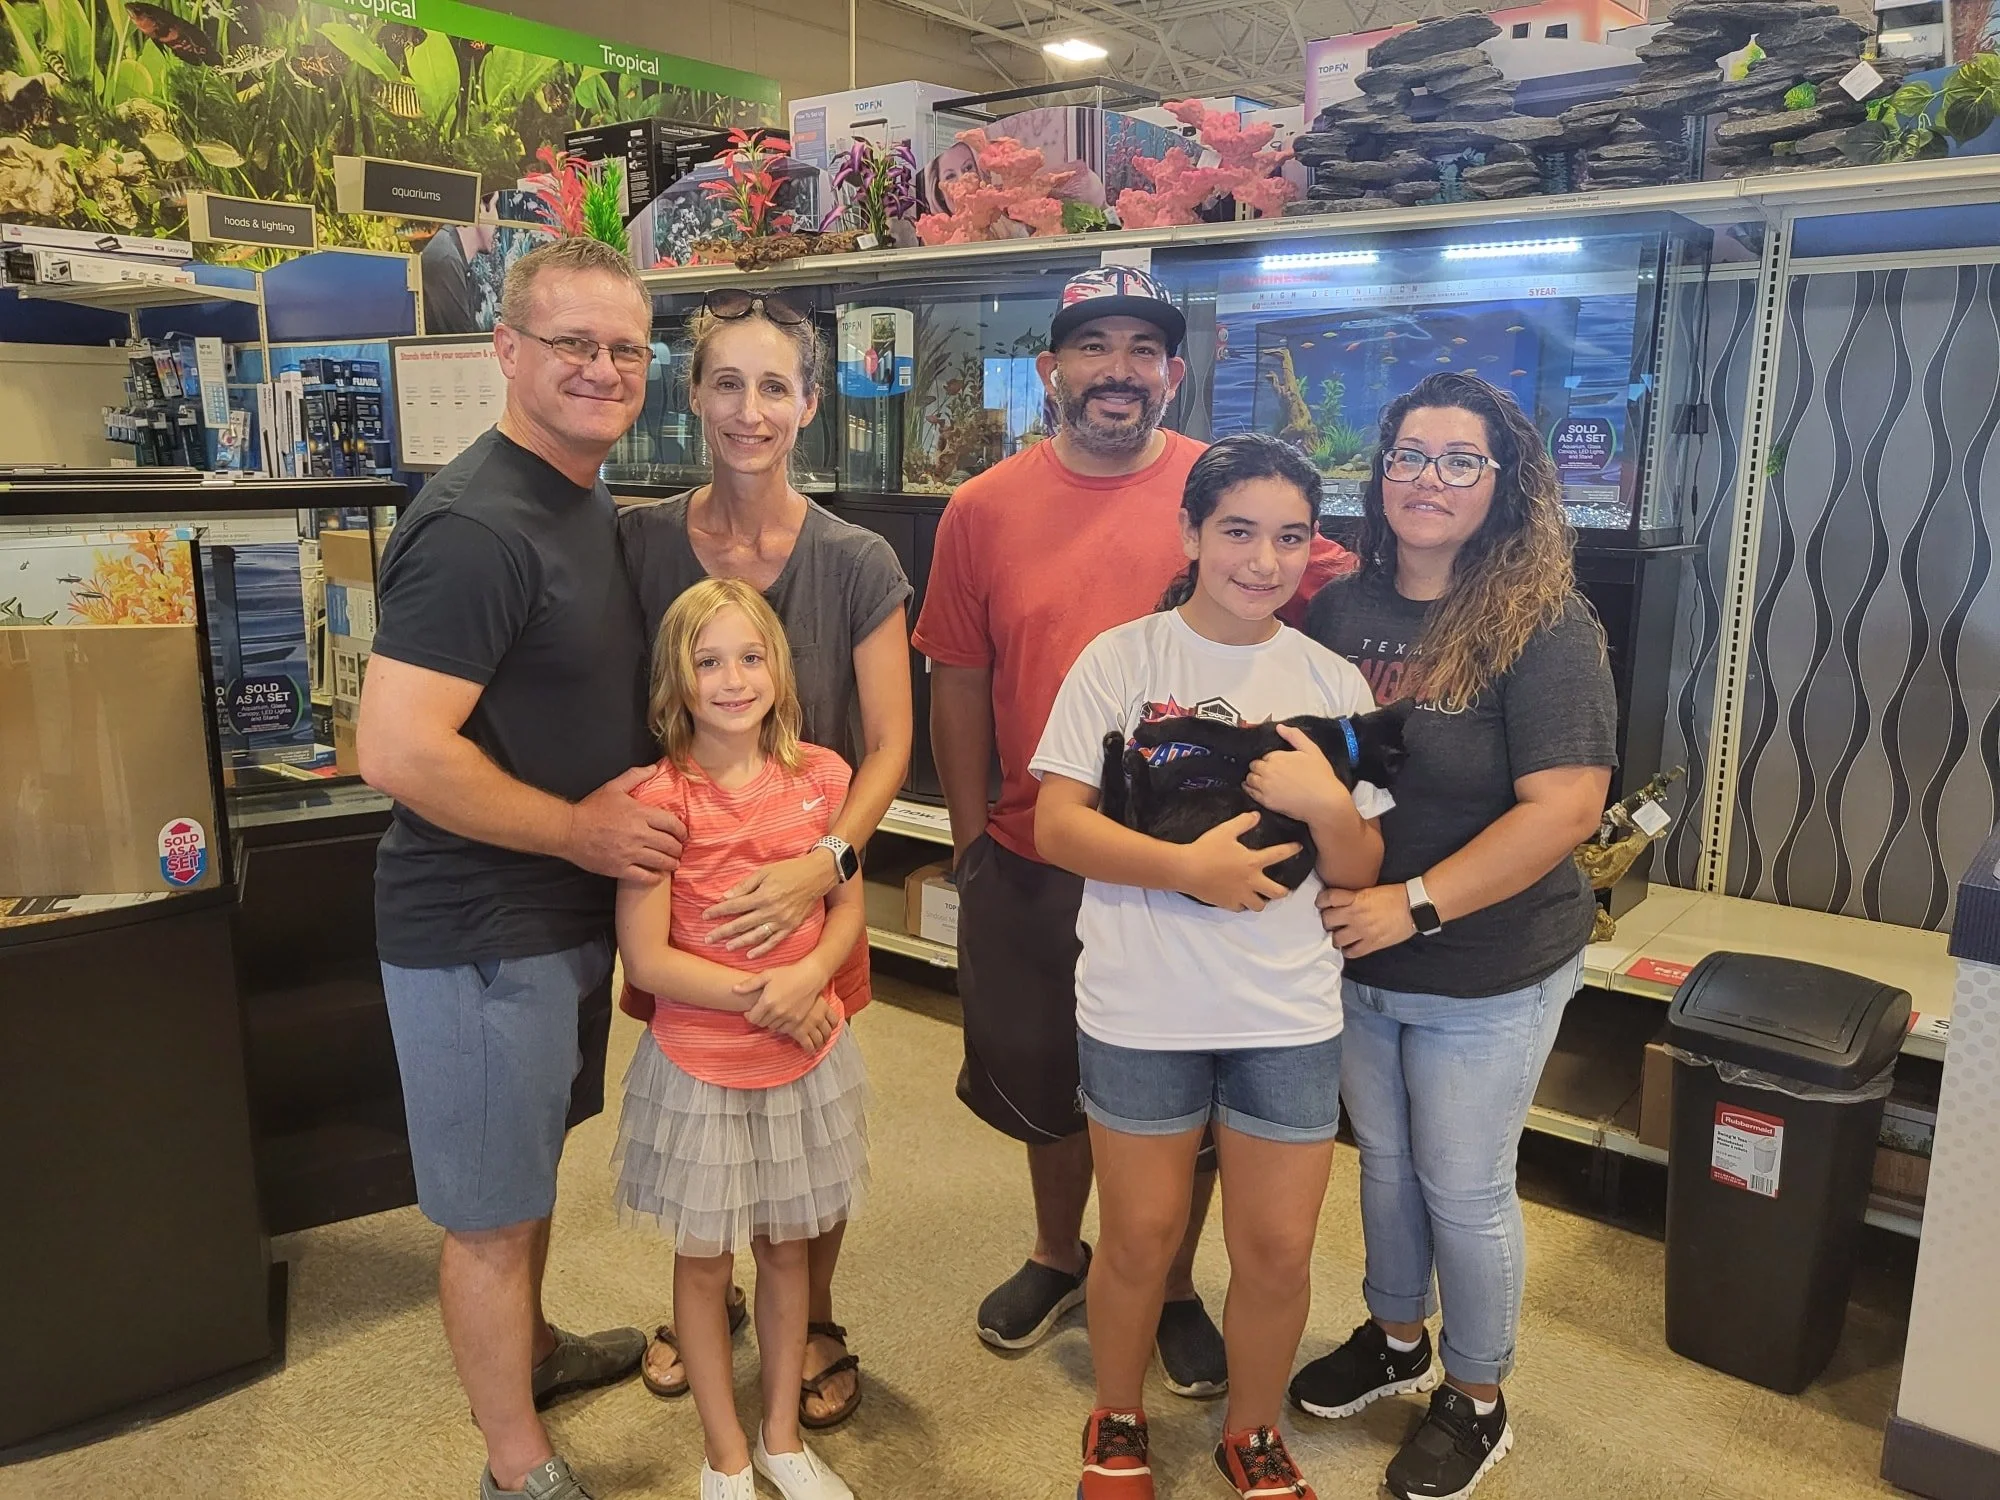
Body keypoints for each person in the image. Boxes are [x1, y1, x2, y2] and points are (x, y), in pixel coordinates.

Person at [356, 236, 677, 1500]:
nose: (601, 370)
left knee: (527, 1167)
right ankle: (515, 1467)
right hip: (482, 920)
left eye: (622, 349)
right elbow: (395, 748)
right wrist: (580, 833)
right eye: (572, 345)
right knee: (487, 1217)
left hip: (552, 916)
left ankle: (532, 1355)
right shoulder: (479, 526)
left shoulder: (576, 492)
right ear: (505, 351)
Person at [1033, 433, 1392, 1500]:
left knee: (1278, 1249)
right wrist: (1183, 868)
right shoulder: (1120, 660)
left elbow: (1362, 860)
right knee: (1138, 1238)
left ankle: (1252, 1431)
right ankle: (1116, 1416)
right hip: (1139, 1003)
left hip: (1284, 1009)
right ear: (1190, 534)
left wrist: (1327, 801)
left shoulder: (1328, 680)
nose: (1262, 560)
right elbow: (1056, 824)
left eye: (1289, 537)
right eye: (1237, 531)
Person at [1288, 372, 1617, 1500]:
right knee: (1381, 1163)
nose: (1428, 480)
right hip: (1360, 952)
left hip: (1485, 961)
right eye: (1408, 456)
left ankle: (1477, 1398)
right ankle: (1393, 1338)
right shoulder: (1340, 610)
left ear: (1503, 481)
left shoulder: (1543, 621)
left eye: (1458, 460)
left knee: (1462, 1184)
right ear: (1377, 475)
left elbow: (1566, 806)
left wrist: (1413, 902)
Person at [911, 264, 1230, 1394]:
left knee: (1182, 1090)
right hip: (1034, 849)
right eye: (1093, 346)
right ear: (1051, 370)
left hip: (1191, 863)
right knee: (1046, 1070)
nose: (1117, 371)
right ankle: (1057, 1253)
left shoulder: (1221, 490)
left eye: (1142, 350)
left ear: (1173, 375)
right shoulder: (981, 510)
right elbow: (957, 679)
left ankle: (1177, 1282)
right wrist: (966, 838)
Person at [619, 286, 912, 1429]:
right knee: (699, 1098)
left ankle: (816, 1310)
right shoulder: (637, 539)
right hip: (688, 903)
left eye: (775, 386)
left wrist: (827, 863)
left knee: (807, 1115)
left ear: (810, 402)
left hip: (812, 897)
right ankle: (702, 1294)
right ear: (691, 395)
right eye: (727, 383)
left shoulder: (855, 559)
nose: (750, 409)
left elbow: (890, 743)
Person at [612, 578, 868, 1500]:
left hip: (805, 1058)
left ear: (780, 669)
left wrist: (813, 978)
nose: (731, 679)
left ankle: (781, 1438)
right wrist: (771, 994)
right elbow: (645, 957)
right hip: (700, 1068)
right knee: (705, 1258)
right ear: (675, 681)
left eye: (749, 657)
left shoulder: (826, 779)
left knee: (790, 1249)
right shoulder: (656, 797)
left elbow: (845, 911)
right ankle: (724, 1453)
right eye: (707, 661)